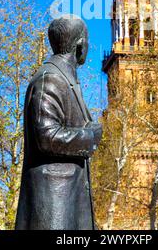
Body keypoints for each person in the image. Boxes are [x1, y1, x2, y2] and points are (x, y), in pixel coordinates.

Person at [15, 17, 102, 230]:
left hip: (68, 200)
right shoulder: (49, 79)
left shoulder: (67, 79)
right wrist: (90, 137)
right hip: (54, 204)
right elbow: (46, 136)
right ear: (80, 45)